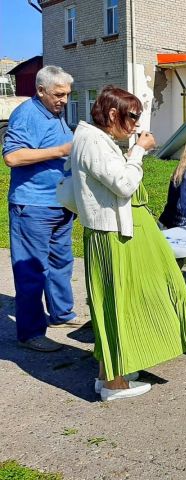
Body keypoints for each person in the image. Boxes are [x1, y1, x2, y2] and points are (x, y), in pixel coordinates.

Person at [69, 85, 186, 401]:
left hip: (115, 232)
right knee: (118, 304)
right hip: (113, 235)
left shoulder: (95, 139)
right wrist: (139, 150)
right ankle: (114, 384)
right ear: (113, 113)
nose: (136, 125)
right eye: (132, 117)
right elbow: (125, 184)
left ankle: (111, 373)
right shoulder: (92, 142)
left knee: (121, 303)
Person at [2, 65, 83, 352]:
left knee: (62, 263)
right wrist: (61, 151)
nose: (64, 100)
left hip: (59, 204)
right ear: (40, 91)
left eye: (67, 94)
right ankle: (31, 332)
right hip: (32, 205)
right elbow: (12, 157)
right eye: (58, 94)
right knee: (32, 270)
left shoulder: (56, 114)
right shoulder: (27, 114)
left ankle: (61, 313)